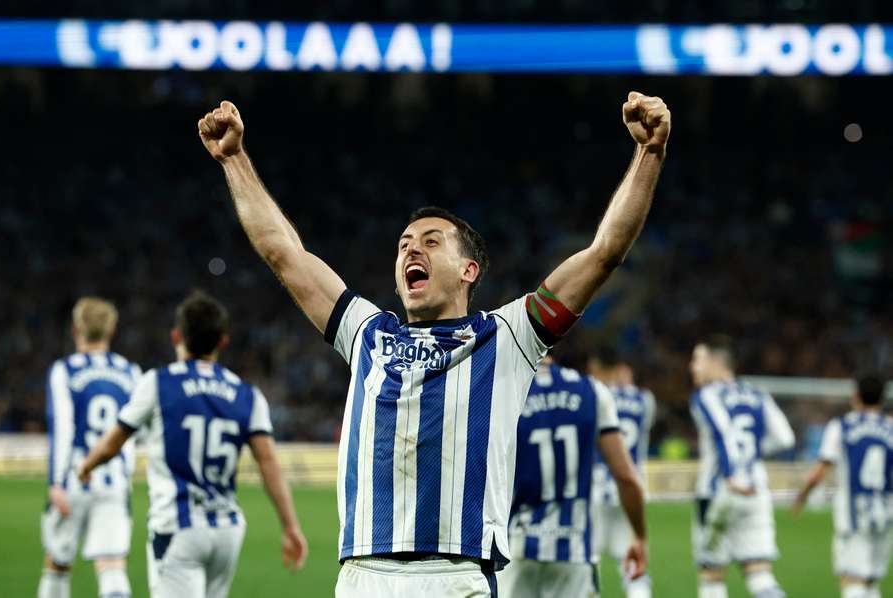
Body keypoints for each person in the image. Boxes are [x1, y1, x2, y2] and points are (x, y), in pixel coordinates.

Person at [196, 90, 670, 597]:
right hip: (363, 576)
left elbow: (604, 253)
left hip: (455, 577)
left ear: (469, 270)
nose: (410, 250)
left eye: (430, 241)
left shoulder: (507, 336)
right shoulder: (368, 333)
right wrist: (234, 159)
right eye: (403, 244)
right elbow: (284, 254)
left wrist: (649, 155)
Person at [77, 291, 308, 598]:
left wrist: (86, 465)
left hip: (178, 527)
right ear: (223, 341)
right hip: (227, 530)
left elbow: (113, 442)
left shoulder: (158, 383)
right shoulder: (247, 394)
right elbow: (268, 463)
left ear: (176, 335)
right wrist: (290, 526)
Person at [499, 356, 647, 598]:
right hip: (574, 547)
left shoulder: (503, 390)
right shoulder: (592, 390)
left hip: (516, 542)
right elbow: (626, 476)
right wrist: (640, 536)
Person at [38, 297, 139, 598]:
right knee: (112, 565)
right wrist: (126, 475)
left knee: (57, 562)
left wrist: (56, 482)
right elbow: (132, 431)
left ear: (75, 328)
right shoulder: (130, 371)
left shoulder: (65, 370)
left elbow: (63, 427)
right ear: (112, 330)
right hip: (114, 482)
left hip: (73, 480)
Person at [689, 335, 795, 598]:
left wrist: (732, 473)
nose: (693, 367)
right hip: (756, 490)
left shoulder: (707, 395)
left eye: (697, 360)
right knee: (760, 574)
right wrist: (752, 456)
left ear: (716, 363)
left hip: (719, 491)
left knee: (711, 575)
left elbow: (724, 433)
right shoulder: (757, 394)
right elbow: (785, 438)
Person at [791, 374, 893, 598]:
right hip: (885, 514)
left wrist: (802, 496)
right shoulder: (890, 428)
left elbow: (821, 469)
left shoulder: (842, 426)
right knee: (870, 581)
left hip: (853, 516)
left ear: (855, 396)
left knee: (852, 579)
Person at [588, 348, 655, 598]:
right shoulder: (645, 400)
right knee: (633, 564)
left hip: (596, 487)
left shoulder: (594, 395)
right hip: (631, 490)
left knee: (586, 564)